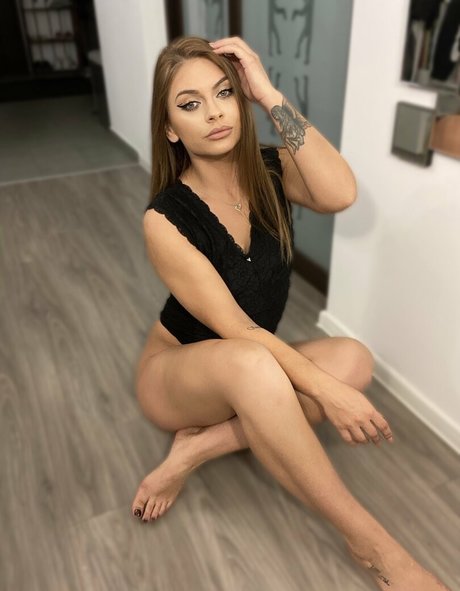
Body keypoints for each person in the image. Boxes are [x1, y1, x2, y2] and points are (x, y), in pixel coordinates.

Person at [132, 35, 450, 590]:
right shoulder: (164, 218)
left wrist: (269, 94)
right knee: (260, 363)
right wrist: (325, 394)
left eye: (224, 93)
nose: (214, 113)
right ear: (170, 129)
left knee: (352, 359)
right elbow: (238, 331)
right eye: (190, 104)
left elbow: (341, 192)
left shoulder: (270, 169)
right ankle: (376, 547)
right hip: (177, 375)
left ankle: (198, 448)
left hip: (249, 362)